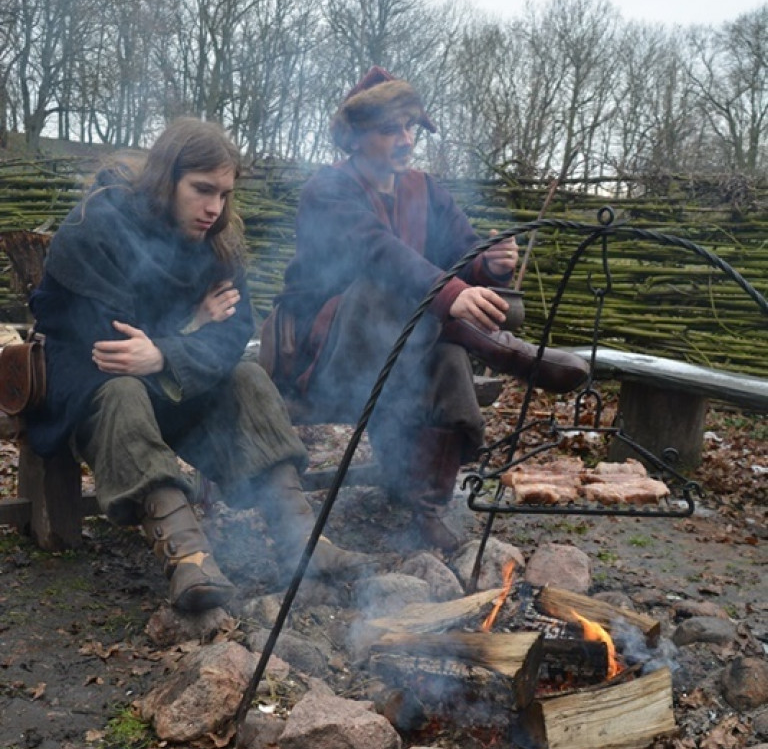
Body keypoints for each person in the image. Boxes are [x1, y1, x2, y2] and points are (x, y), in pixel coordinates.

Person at [26, 118, 370, 622]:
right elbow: (113, 342)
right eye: (202, 190)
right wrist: (192, 325)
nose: (215, 208)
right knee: (123, 389)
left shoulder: (218, 243)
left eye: (225, 193)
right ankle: (188, 557)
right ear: (167, 179)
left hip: (168, 383)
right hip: (92, 389)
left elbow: (234, 335)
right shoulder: (96, 228)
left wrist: (166, 351)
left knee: (248, 378)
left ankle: (302, 542)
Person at [262, 67, 588, 552]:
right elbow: (378, 252)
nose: (406, 140)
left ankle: (427, 511)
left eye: (411, 127)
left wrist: (490, 264)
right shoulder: (328, 189)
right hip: (325, 354)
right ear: (354, 136)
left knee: (448, 358)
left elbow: (463, 253)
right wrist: (453, 294)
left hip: (407, 349)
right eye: (390, 128)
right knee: (384, 283)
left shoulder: (426, 190)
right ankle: (503, 350)